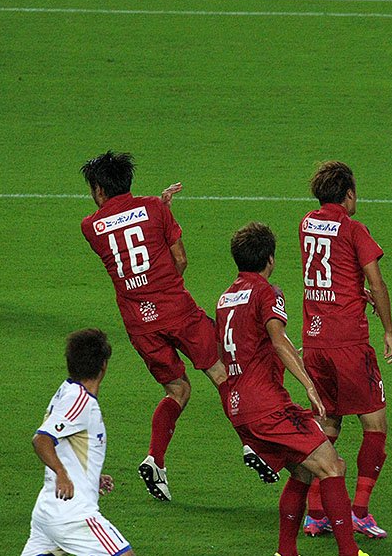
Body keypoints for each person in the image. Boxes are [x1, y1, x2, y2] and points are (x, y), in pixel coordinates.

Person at [80, 151, 275, 501]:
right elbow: (180, 259)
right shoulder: (155, 208)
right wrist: (163, 212)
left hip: (139, 324)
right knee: (223, 374)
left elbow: (123, 232)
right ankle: (252, 444)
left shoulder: (90, 227)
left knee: (177, 391)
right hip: (177, 311)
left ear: (99, 190)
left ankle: (155, 459)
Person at [216, 222, 369, 556]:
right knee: (333, 466)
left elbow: (241, 349)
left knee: (302, 470)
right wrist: (309, 384)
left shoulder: (225, 299)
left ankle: (286, 552)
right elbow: (278, 339)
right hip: (268, 405)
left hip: (239, 406)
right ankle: (350, 552)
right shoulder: (267, 292)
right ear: (270, 259)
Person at [298, 161, 392, 539]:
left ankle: (315, 513)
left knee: (327, 424)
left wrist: (355, 292)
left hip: (314, 342)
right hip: (349, 344)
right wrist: (388, 331)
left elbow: (329, 272)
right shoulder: (354, 229)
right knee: (375, 425)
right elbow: (377, 281)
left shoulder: (307, 224)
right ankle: (359, 511)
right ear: (349, 194)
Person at [20, 328, 134, 556]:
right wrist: (61, 473)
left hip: (48, 508)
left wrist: (90, 477)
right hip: (71, 514)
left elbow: (65, 443)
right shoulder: (80, 402)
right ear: (103, 366)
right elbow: (41, 440)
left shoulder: (67, 391)